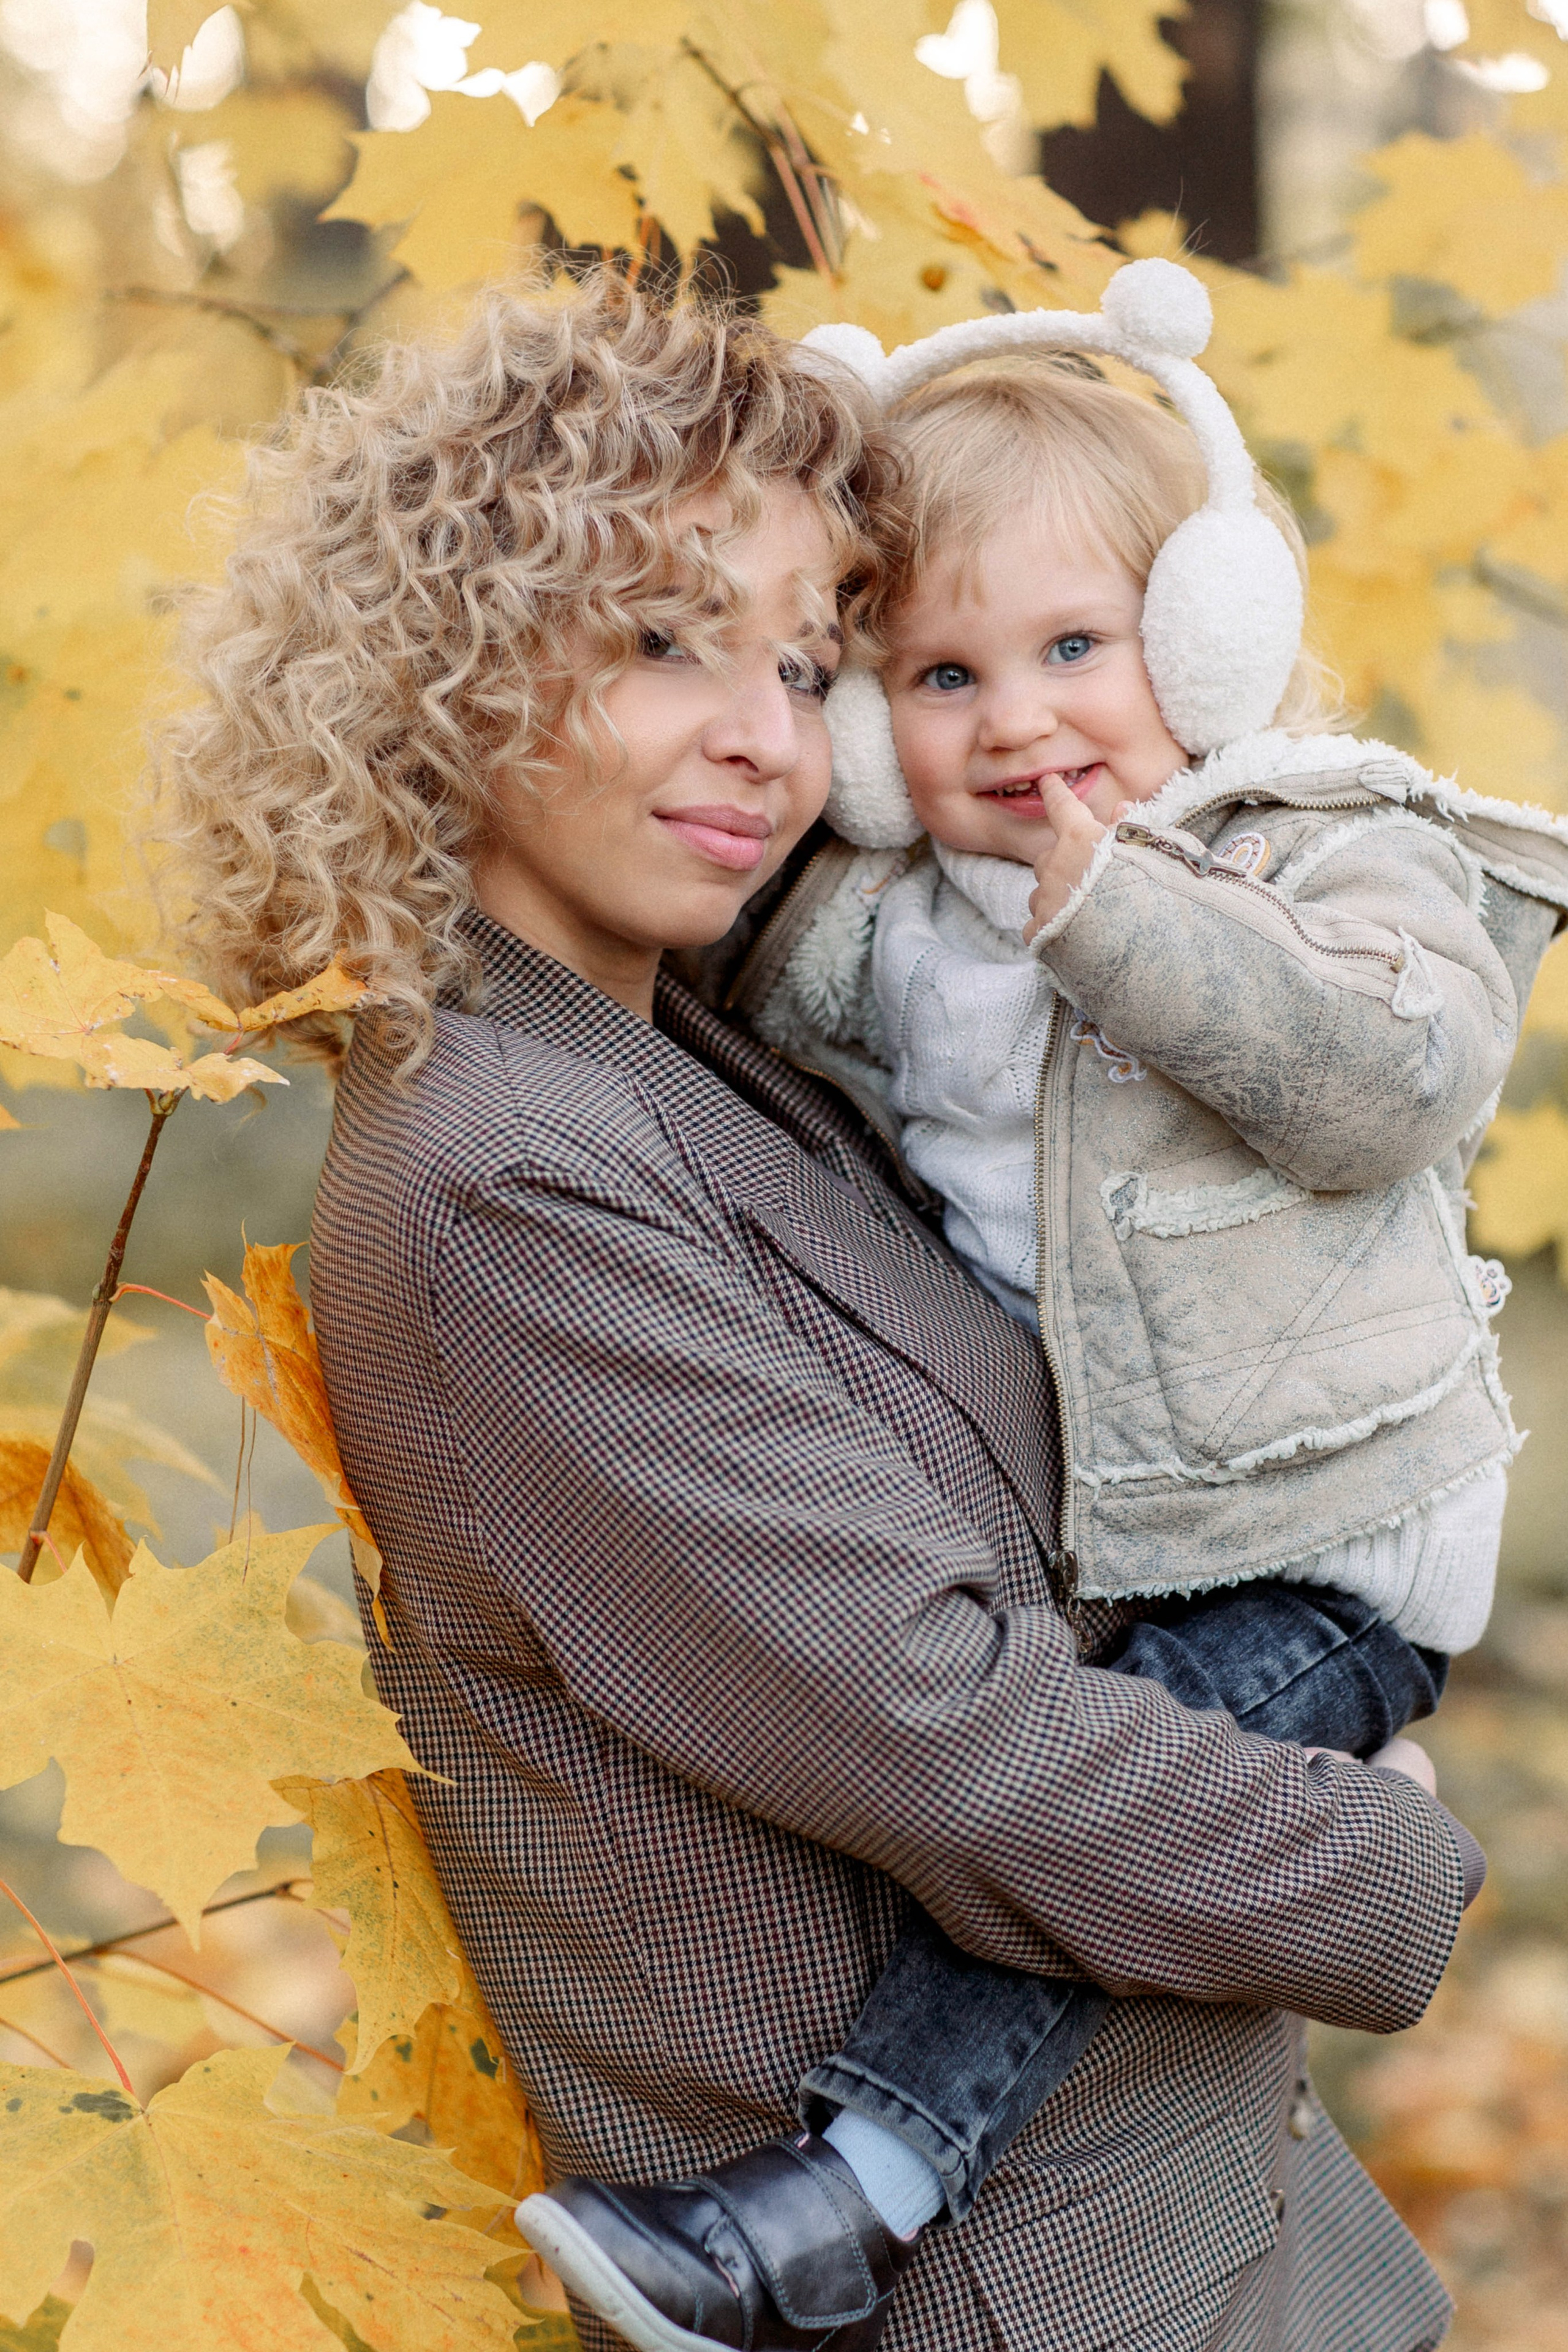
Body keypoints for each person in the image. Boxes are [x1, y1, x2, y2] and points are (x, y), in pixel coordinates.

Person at [162, 270, 1488, 2352]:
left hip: (1192, 2217)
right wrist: (1384, 1861)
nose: (766, 739)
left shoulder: (685, 1041)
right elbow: (948, 1733)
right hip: (1017, 2294)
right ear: (451, 663)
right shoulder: (510, 1178)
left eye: (805, 664)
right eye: (666, 640)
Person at [517, 262, 1568, 2350]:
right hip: (1107, 1542)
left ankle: (845, 2198)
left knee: (1059, 1861)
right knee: (1091, 1809)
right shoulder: (913, 918)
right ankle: (1310, 1806)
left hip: (1318, 1545)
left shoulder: (1324, 845)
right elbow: (717, 960)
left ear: (1211, 633)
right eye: (937, 675)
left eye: (1077, 647)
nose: (1016, 722)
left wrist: (1125, 920)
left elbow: (1390, 1078)